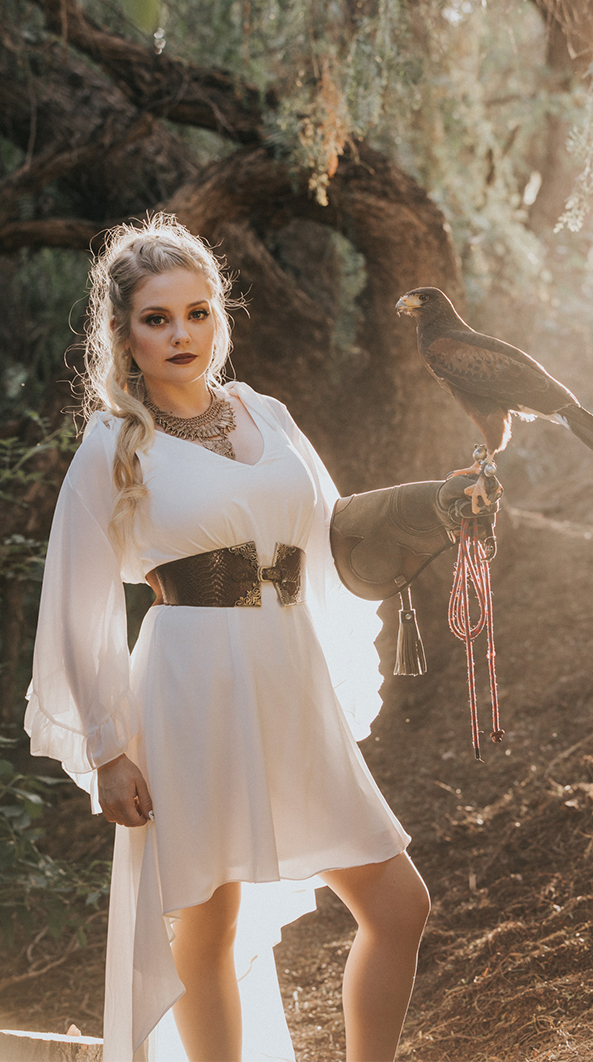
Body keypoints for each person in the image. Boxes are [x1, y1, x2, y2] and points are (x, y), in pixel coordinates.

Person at [26, 214, 491, 1062]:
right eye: (157, 318)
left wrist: (439, 504)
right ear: (124, 336)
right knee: (206, 924)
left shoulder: (264, 414)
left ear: (218, 317)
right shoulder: (114, 446)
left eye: (197, 313)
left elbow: (336, 531)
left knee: (398, 905)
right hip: (190, 682)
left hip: (289, 671)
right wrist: (107, 749)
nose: (181, 334)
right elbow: (75, 600)